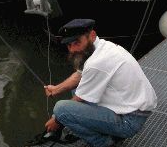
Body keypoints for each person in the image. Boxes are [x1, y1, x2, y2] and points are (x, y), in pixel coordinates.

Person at [44, 19, 157, 147]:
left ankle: (104, 142)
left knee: (61, 109)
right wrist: (56, 89)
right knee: (77, 89)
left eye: (76, 43)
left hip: (129, 121)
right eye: (69, 45)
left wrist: (56, 120)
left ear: (91, 35)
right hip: (133, 109)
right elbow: (79, 76)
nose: (72, 50)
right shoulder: (101, 47)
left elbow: (79, 98)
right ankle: (103, 130)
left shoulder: (97, 63)